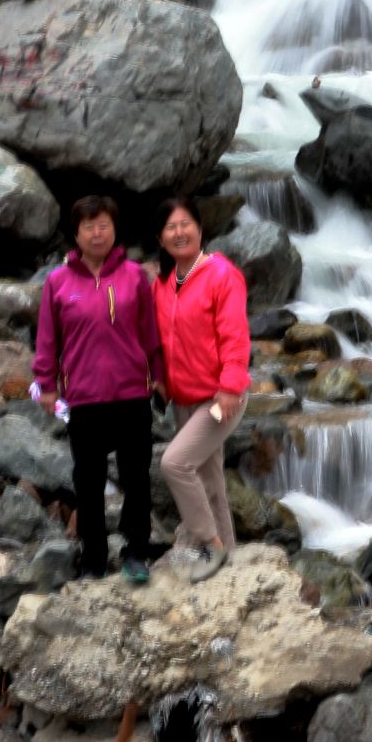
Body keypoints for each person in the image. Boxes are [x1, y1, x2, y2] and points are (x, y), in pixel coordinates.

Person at [34, 195, 161, 585]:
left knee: (137, 478)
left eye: (103, 224)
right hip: (83, 399)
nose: (97, 232)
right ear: (76, 234)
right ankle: (93, 558)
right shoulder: (58, 282)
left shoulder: (135, 276)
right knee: (87, 483)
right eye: (88, 226)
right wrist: (46, 386)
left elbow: (150, 331)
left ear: (114, 229)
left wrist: (157, 374)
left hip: (131, 395)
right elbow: (47, 340)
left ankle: (136, 552)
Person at [154, 197, 251, 579]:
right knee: (211, 483)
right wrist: (158, 376)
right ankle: (229, 561)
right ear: (161, 239)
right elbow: (158, 338)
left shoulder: (221, 275)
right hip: (183, 398)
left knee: (174, 464)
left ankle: (210, 547)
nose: (179, 233)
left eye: (185, 224)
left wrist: (229, 387)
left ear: (200, 228)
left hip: (219, 397)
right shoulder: (163, 284)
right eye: (170, 228)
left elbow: (235, 337)